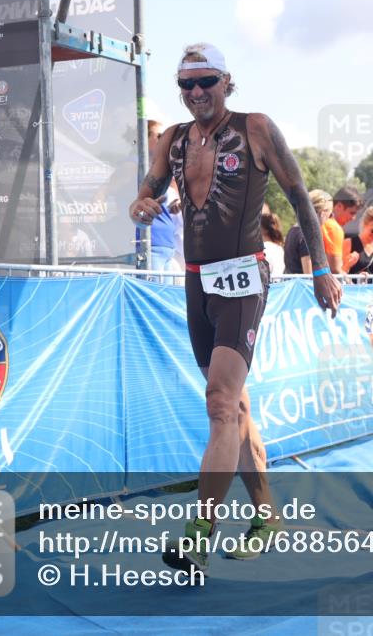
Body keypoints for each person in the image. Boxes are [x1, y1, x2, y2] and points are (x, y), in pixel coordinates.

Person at [129, 43, 342, 572]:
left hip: (244, 278)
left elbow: (298, 195)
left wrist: (321, 269)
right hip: (196, 280)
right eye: (186, 84)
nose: (197, 92)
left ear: (226, 81)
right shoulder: (173, 139)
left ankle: (199, 532)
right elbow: (145, 193)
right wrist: (141, 206)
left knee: (220, 403)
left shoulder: (256, 128)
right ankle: (267, 515)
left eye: (206, 81)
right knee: (236, 407)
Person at [140, 119, 179, 279]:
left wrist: (176, 205)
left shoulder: (161, 168)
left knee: (166, 292)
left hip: (166, 246)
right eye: (159, 135)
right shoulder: (132, 166)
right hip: (150, 245)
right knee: (153, 292)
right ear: (143, 137)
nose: (165, 139)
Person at [284, 189, 332, 275]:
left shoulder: (293, 230)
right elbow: (309, 275)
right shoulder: (308, 236)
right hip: (302, 283)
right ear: (322, 213)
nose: (328, 219)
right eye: (330, 215)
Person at [324, 186, 362, 273]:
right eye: (352, 213)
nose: (353, 218)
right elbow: (335, 271)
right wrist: (352, 280)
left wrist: (346, 266)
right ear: (339, 206)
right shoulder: (334, 228)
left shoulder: (321, 223)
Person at [261, 213, 285, 277]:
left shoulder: (263, 248)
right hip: (279, 282)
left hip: (268, 281)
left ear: (265, 229)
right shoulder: (279, 248)